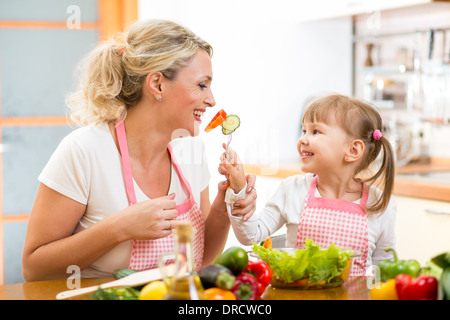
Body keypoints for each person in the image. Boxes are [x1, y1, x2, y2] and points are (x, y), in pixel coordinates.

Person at [22, 19, 257, 281]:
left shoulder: (191, 149)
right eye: (202, 85)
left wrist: (225, 206)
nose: (211, 100)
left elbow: (199, 260)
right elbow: (34, 268)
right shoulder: (83, 151)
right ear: (157, 84)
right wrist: (119, 228)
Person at [220, 94, 397, 276]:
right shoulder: (292, 190)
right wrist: (238, 190)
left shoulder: (380, 204)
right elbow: (251, 235)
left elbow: (383, 269)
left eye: (315, 132)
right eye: (304, 131)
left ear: (353, 150)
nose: (302, 139)